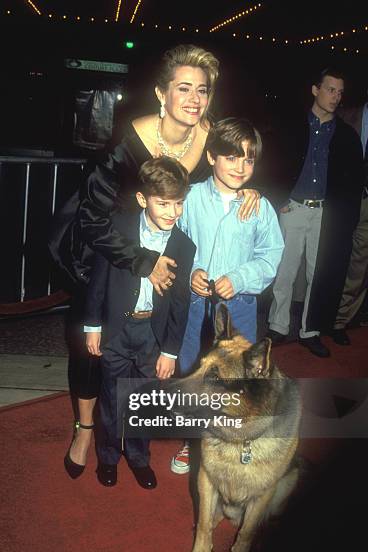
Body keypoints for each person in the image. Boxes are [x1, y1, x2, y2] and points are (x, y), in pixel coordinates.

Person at [56, 44, 260, 479]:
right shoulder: (128, 142)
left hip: (171, 264)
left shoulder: (210, 138)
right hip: (111, 253)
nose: (193, 99)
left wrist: (250, 191)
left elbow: (238, 164)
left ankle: (136, 440)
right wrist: (141, 260)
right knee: (95, 350)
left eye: (202, 90)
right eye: (183, 88)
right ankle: (86, 430)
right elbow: (92, 218)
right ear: (160, 94)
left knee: (153, 353)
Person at [170, 117, 284, 475]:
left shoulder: (258, 207)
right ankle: (193, 440)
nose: (240, 166)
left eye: (249, 159)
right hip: (192, 304)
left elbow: (270, 255)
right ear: (211, 156)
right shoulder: (189, 199)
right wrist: (191, 274)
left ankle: (238, 438)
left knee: (240, 379)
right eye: (232, 157)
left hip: (239, 307)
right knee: (193, 368)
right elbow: (171, 244)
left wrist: (239, 277)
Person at [84, 157, 196, 489]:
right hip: (117, 328)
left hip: (153, 334)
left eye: (178, 203)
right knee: (112, 398)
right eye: (163, 203)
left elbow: (180, 301)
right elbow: (98, 280)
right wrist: (93, 324)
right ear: (142, 199)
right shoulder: (119, 230)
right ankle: (108, 457)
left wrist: (171, 351)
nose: (172, 212)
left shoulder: (184, 245)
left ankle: (138, 458)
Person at [267, 68, 363, 358]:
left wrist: (344, 218)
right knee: (284, 272)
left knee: (317, 275)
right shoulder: (292, 124)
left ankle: (310, 331)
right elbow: (273, 162)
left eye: (339, 92)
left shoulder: (346, 135)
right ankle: (277, 326)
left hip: (324, 214)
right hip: (293, 208)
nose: (336, 96)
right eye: (330, 89)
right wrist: (277, 198)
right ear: (315, 90)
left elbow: (353, 181)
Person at [331, 90, 368, 344]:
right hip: (341, 202)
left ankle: (340, 321)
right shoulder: (344, 115)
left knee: (358, 264)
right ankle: (315, 317)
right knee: (330, 259)